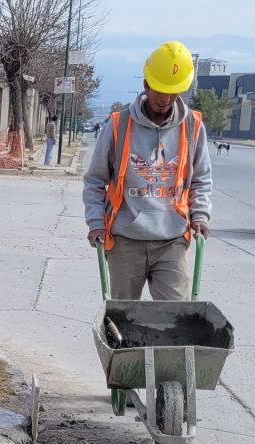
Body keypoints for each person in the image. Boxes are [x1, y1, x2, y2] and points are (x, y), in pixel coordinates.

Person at [82, 40, 212, 301]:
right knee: (123, 318)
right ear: (146, 84)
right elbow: (95, 180)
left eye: (173, 92)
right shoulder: (118, 125)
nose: (166, 99)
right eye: (160, 91)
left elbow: (201, 179)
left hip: (172, 239)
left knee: (177, 315)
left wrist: (200, 215)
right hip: (125, 240)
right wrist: (96, 222)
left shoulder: (192, 126)